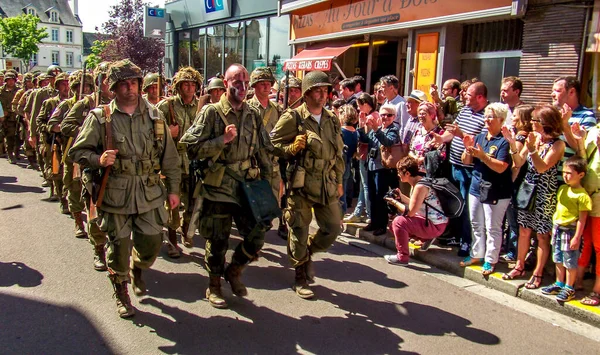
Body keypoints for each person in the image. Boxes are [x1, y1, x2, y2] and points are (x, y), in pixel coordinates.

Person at [69, 59, 181, 318]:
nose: (130, 88)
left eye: (134, 83)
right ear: (113, 88)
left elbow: (170, 159)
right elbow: (78, 152)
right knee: (118, 247)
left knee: (151, 245)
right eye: (124, 84)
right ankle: (121, 291)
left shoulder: (155, 115)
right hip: (115, 192)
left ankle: (137, 267)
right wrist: (98, 159)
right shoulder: (100, 117)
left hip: (149, 192)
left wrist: (173, 190)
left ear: (140, 85)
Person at [180, 63, 272, 309]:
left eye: (245, 83)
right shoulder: (211, 113)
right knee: (218, 239)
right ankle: (214, 285)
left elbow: (263, 151)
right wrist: (222, 140)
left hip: (247, 185)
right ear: (225, 83)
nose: (242, 87)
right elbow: (190, 148)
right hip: (218, 184)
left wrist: (271, 187)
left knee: (257, 234)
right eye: (236, 82)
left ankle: (234, 270)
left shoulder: (253, 114)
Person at [270, 70, 344, 300]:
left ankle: (308, 252)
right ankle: (300, 276)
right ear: (306, 93)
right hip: (301, 184)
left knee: (333, 228)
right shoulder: (293, 118)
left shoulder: (331, 119)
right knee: (299, 230)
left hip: (326, 183)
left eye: (325, 91)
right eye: (317, 91)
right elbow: (270, 144)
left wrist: (339, 180)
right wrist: (291, 148)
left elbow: (339, 153)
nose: (323, 95)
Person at [501, 104, 565, 289]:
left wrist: (533, 150)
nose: (531, 123)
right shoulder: (534, 138)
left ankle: (538, 273)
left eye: (535, 120)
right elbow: (519, 161)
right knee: (524, 230)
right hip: (528, 188)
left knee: (542, 235)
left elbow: (542, 167)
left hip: (545, 191)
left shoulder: (558, 144)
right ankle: (519, 266)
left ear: (546, 123)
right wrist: (513, 143)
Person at [61, 61, 113, 271]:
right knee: (95, 210)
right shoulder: (86, 104)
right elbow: (65, 125)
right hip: (93, 165)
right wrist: (89, 128)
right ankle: (99, 250)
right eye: (106, 80)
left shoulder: (126, 103)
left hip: (117, 166)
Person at [155, 66, 203, 257]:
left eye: (193, 84)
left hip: (193, 161)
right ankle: (172, 240)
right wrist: (168, 132)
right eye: (186, 84)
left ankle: (185, 230)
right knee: (172, 203)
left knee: (192, 201)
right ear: (178, 86)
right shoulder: (166, 107)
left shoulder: (202, 107)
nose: (190, 88)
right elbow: (151, 132)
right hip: (172, 161)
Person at [459, 103, 512, 275]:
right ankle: (477, 254)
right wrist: (468, 150)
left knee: (493, 227)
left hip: (496, 190)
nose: (487, 120)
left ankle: (490, 259)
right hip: (476, 186)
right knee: (476, 223)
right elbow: (466, 161)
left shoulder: (504, 141)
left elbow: (501, 167)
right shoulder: (480, 137)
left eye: (491, 117)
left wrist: (483, 156)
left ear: (501, 120)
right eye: (486, 116)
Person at [439, 81, 488, 256]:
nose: (463, 96)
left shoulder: (486, 116)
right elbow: (452, 131)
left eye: (468, 94)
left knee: (469, 207)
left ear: (480, 97)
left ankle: (467, 242)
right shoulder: (465, 110)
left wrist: (462, 135)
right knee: (456, 203)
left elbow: (481, 141)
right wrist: (440, 139)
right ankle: (456, 235)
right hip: (455, 164)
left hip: (471, 168)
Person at [47, 70, 95, 238]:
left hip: (92, 154)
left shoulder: (95, 104)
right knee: (74, 188)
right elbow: (52, 124)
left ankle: (93, 222)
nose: (85, 89)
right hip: (72, 154)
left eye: (89, 86)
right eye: (80, 86)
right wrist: (79, 130)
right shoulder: (66, 105)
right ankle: (78, 222)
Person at [540, 156, 591, 301]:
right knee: (558, 257)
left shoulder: (582, 196)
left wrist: (577, 236)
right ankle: (559, 282)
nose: (566, 176)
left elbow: (582, 218)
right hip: (558, 227)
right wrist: (553, 225)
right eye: (564, 172)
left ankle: (569, 287)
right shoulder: (562, 189)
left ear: (580, 175)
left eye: (569, 173)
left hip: (571, 230)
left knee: (570, 260)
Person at [383, 156, 449, 265]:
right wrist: (401, 196)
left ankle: (402, 257)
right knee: (393, 225)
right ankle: (425, 238)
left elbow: (410, 212)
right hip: (434, 222)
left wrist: (394, 202)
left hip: (436, 225)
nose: (398, 175)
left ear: (407, 173)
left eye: (399, 172)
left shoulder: (420, 186)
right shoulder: (419, 181)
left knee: (399, 222)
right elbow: (415, 204)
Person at [247, 67, 286, 237]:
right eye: (261, 84)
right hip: (253, 165)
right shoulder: (246, 108)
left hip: (272, 165)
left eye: (268, 84)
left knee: (271, 206)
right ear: (254, 86)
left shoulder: (277, 110)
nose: (265, 87)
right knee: (253, 206)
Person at [499, 104, 535, 263]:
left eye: (515, 116)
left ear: (522, 119)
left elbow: (516, 164)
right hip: (520, 184)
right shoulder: (526, 136)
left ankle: (513, 252)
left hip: (516, 184)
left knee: (513, 219)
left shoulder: (521, 138)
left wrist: (509, 182)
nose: (512, 118)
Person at [359, 103, 400, 236]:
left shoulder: (393, 129)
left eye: (389, 115)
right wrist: (361, 126)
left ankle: (382, 224)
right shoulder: (377, 128)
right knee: (371, 196)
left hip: (383, 168)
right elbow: (366, 140)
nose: (385, 117)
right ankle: (374, 222)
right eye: (383, 115)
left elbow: (389, 142)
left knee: (380, 196)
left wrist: (377, 130)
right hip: (371, 165)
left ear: (394, 116)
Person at [573, 120, 600, 306]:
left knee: (599, 246)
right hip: (586, 195)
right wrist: (581, 142)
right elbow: (583, 161)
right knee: (586, 241)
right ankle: (578, 281)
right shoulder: (594, 130)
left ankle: (597, 290)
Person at [36, 72, 71, 206]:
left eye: (68, 83)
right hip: (54, 142)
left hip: (70, 142)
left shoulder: (75, 103)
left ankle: (69, 198)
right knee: (56, 171)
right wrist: (53, 128)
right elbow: (40, 122)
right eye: (63, 84)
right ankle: (60, 197)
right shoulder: (50, 103)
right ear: (57, 86)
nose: (66, 86)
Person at [344, 92, 376, 224]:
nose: (358, 109)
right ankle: (358, 212)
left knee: (366, 185)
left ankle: (368, 213)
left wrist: (362, 127)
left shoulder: (371, 117)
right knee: (364, 185)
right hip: (363, 154)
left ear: (366, 105)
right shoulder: (367, 116)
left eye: (359, 105)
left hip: (368, 155)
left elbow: (368, 138)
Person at [408, 101, 446, 177]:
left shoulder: (439, 132)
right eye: (419, 113)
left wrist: (423, 159)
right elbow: (410, 150)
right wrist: (415, 158)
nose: (421, 116)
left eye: (424, 113)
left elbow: (442, 154)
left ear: (432, 115)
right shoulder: (418, 131)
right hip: (415, 172)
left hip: (430, 174)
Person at [338, 104, 359, 214]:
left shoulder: (341, 132)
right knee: (343, 192)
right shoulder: (355, 132)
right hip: (348, 164)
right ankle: (342, 214)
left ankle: (339, 215)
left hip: (339, 165)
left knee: (338, 193)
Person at [0, 70, 20, 164]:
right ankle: (7, 152)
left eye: (12, 80)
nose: (11, 82)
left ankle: (14, 152)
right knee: (5, 135)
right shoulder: (1, 91)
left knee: (15, 136)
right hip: (3, 117)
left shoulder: (18, 90)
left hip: (15, 116)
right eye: (8, 80)